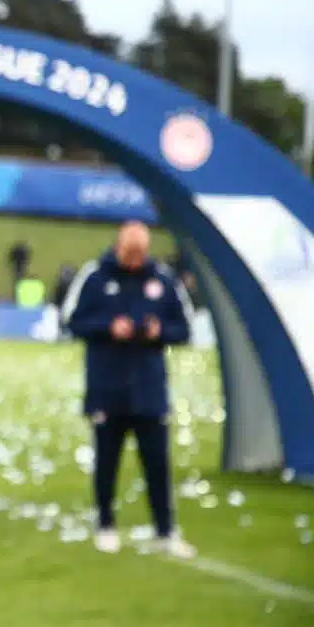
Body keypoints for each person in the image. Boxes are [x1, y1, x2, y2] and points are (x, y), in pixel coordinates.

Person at [62, 221, 197, 558]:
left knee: (157, 465)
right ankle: (105, 524)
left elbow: (184, 328)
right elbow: (71, 321)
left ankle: (165, 531)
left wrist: (158, 331)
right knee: (106, 462)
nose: (134, 260)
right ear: (119, 247)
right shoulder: (95, 277)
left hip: (149, 392)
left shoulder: (162, 279)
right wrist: (108, 328)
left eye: (140, 254)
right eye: (129, 253)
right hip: (107, 388)